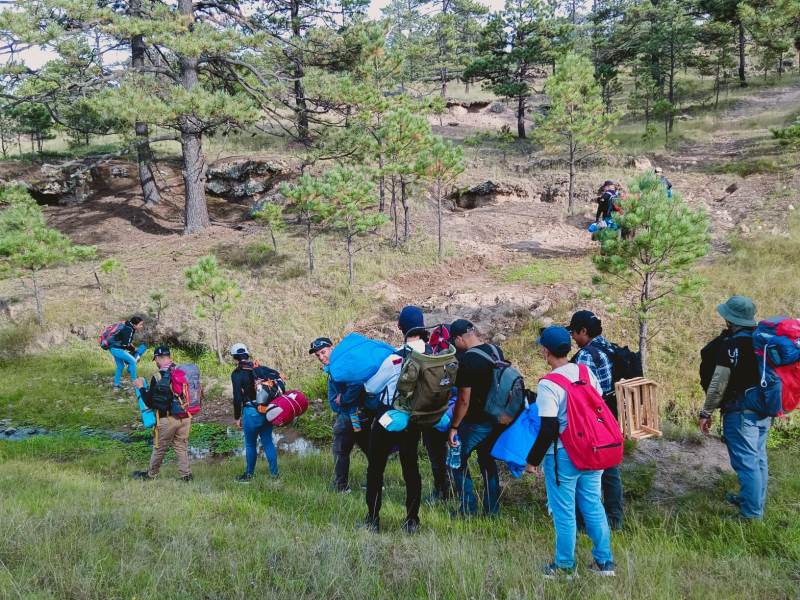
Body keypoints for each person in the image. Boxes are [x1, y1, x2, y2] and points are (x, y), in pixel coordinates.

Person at [527, 326, 616, 578]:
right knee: (593, 504)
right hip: (592, 450)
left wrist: (532, 460)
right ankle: (604, 562)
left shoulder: (548, 384)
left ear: (546, 352)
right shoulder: (586, 372)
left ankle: (565, 566)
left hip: (563, 454)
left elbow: (549, 428)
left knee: (564, 511)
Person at [698, 296, 768, 520]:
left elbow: (718, 384)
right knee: (758, 459)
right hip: (762, 409)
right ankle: (753, 501)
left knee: (747, 464)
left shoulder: (731, 344)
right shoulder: (761, 341)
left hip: (740, 412)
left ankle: (750, 515)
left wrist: (706, 412)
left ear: (731, 319)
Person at [363, 307, 427, 533]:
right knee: (411, 468)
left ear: (401, 327)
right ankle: (412, 520)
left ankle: (372, 519)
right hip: (415, 421)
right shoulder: (432, 355)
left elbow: (371, 388)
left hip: (389, 418)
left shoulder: (395, 358)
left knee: (375, 469)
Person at [567, 310, 624, 530]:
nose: (572, 337)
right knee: (611, 469)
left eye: (574, 332)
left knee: (589, 470)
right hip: (612, 416)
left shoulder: (586, 356)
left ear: (584, 331)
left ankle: (587, 522)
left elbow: (584, 393)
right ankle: (614, 519)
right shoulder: (609, 347)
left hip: (594, 419)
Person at [398, 306, 454, 503]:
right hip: (433, 411)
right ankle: (444, 492)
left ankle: (414, 496)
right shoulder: (434, 352)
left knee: (409, 458)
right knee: (437, 456)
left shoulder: (402, 354)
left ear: (400, 327)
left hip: (411, 414)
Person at [448, 319, 501, 517]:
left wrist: (454, 427)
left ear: (459, 338)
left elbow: (463, 400)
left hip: (474, 422)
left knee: (456, 460)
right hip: (495, 419)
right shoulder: (495, 350)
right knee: (488, 462)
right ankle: (492, 510)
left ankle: (467, 509)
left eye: (455, 341)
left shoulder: (467, 361)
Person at [310, 336, 371, 493]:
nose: (321, 357)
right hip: (355, 415)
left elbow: (356, 383)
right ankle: (376, 481)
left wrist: (343, 398)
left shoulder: (340, 364)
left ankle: (341, 486)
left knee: (340, 450)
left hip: (348, 416)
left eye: (323, 352)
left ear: (332, 347)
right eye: (318, 355)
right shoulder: (337, 363)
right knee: (367, 447)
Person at [132, 346, 193, 481]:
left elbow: (150, 402)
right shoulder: (183, 371)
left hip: (167, 418)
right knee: (181, 445)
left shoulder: (158, 376)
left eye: (156, 360)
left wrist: (141, 388)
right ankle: (186, 475)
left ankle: (151, 475)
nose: (156, 363)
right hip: (186, 416)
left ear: (159, 358)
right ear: (169, 357)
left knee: (159, 447)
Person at [230, 343, 285, 482]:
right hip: (266, 410)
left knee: (250, 444)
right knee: (268, 442)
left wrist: (237, 417)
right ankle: (274, 474)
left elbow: (237, 398)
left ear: (235, 358)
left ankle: (249, 475)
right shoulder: (259, 369)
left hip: (251, 412)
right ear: (247, 355)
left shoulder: (237, 374)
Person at [108, 316, 145, 389]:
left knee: (120, 366)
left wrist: (133, 348)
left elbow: (127, 341)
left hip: (113, 347)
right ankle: (136, 384)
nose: (141, 326)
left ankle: (116, 384)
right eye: (140, 324)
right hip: (117, 349)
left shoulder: (128, 326)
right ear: (135, 325)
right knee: (133, 361)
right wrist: (134, 350)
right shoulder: (129, 329)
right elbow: (126, 344)